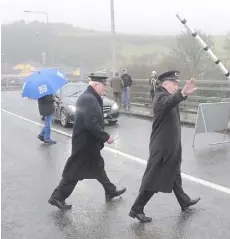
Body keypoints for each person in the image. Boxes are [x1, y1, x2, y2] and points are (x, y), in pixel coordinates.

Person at [129, 70, 200, 223]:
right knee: (153, 178)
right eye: (174, 84)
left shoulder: (168, 97)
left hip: (170, 146)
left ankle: (184, 201)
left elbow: (173, 101)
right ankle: (136, 209)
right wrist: (182, 93)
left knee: (175, 175)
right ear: (165, 84)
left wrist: (181, 95)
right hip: (162, 148)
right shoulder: (160, 98)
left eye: (177, 85)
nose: (176, 87)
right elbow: (169, 103)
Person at [48, 72, 126, 210]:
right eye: (103, 85)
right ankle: (57, 197)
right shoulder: (89, 99)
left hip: (89, 143)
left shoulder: (91, 97)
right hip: (84, 144)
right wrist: (106, 136)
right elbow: (91, 123)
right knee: (74, 171)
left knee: (98, 167)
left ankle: (110, 190)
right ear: (96, 84)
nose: (105, 87)